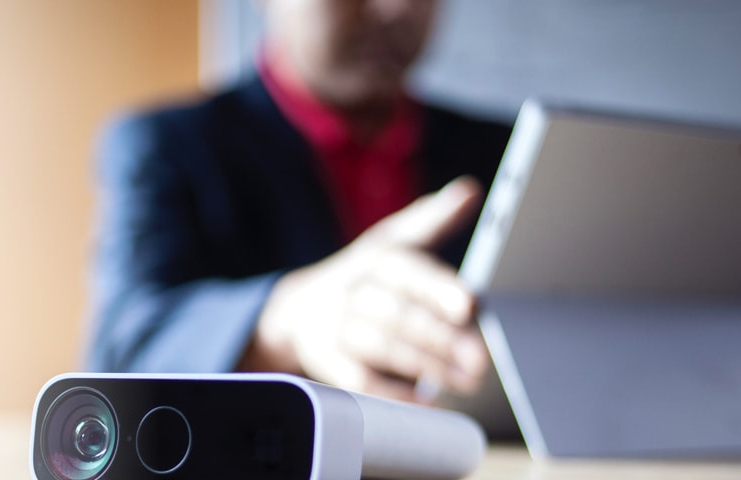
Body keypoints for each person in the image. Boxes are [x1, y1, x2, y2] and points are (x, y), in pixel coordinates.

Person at [86, 0, 506, 403]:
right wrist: (283, 323)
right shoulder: (168, 146)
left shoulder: (507, 149)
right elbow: (124, 347)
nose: (393, 6)